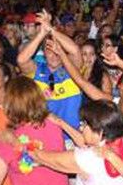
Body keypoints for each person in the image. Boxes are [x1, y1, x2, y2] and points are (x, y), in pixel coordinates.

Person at [17, 10, 83, 147]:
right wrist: (42, 33)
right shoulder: (37, 70)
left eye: (57, 50)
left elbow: (75, 51)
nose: (54, 55)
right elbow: (21, 60)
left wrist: (51, 29)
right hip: (42, 137)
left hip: (70, 138)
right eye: (49, 51)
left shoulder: (71, 71)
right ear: (43, 53)